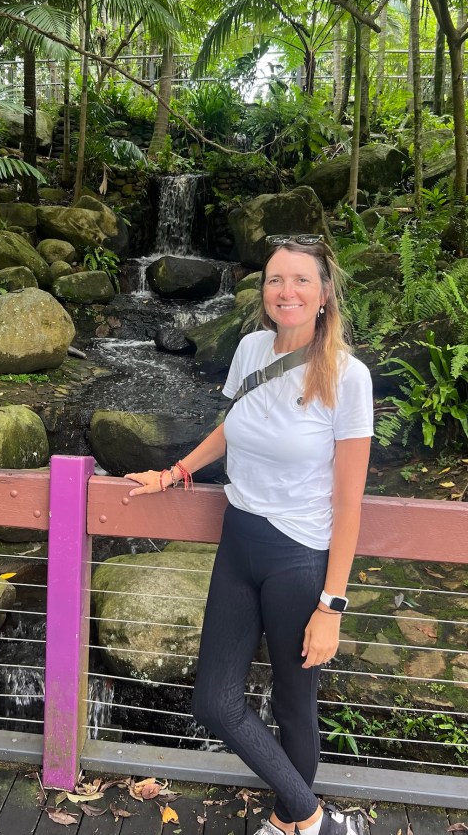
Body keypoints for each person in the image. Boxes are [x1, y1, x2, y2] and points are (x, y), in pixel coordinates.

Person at [125, 234, 374, 835]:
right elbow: (234, 425)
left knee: (294, 703)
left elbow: (349, 503)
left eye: (301, 280)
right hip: (239, 537)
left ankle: (291, 823)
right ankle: (316, 821)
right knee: (214, 702)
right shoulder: (250, 348)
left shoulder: (349, 377)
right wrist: (175, 472)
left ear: (324, 293)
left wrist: (332, 606)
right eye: (274, 279)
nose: (286, 291)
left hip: (299, 556)